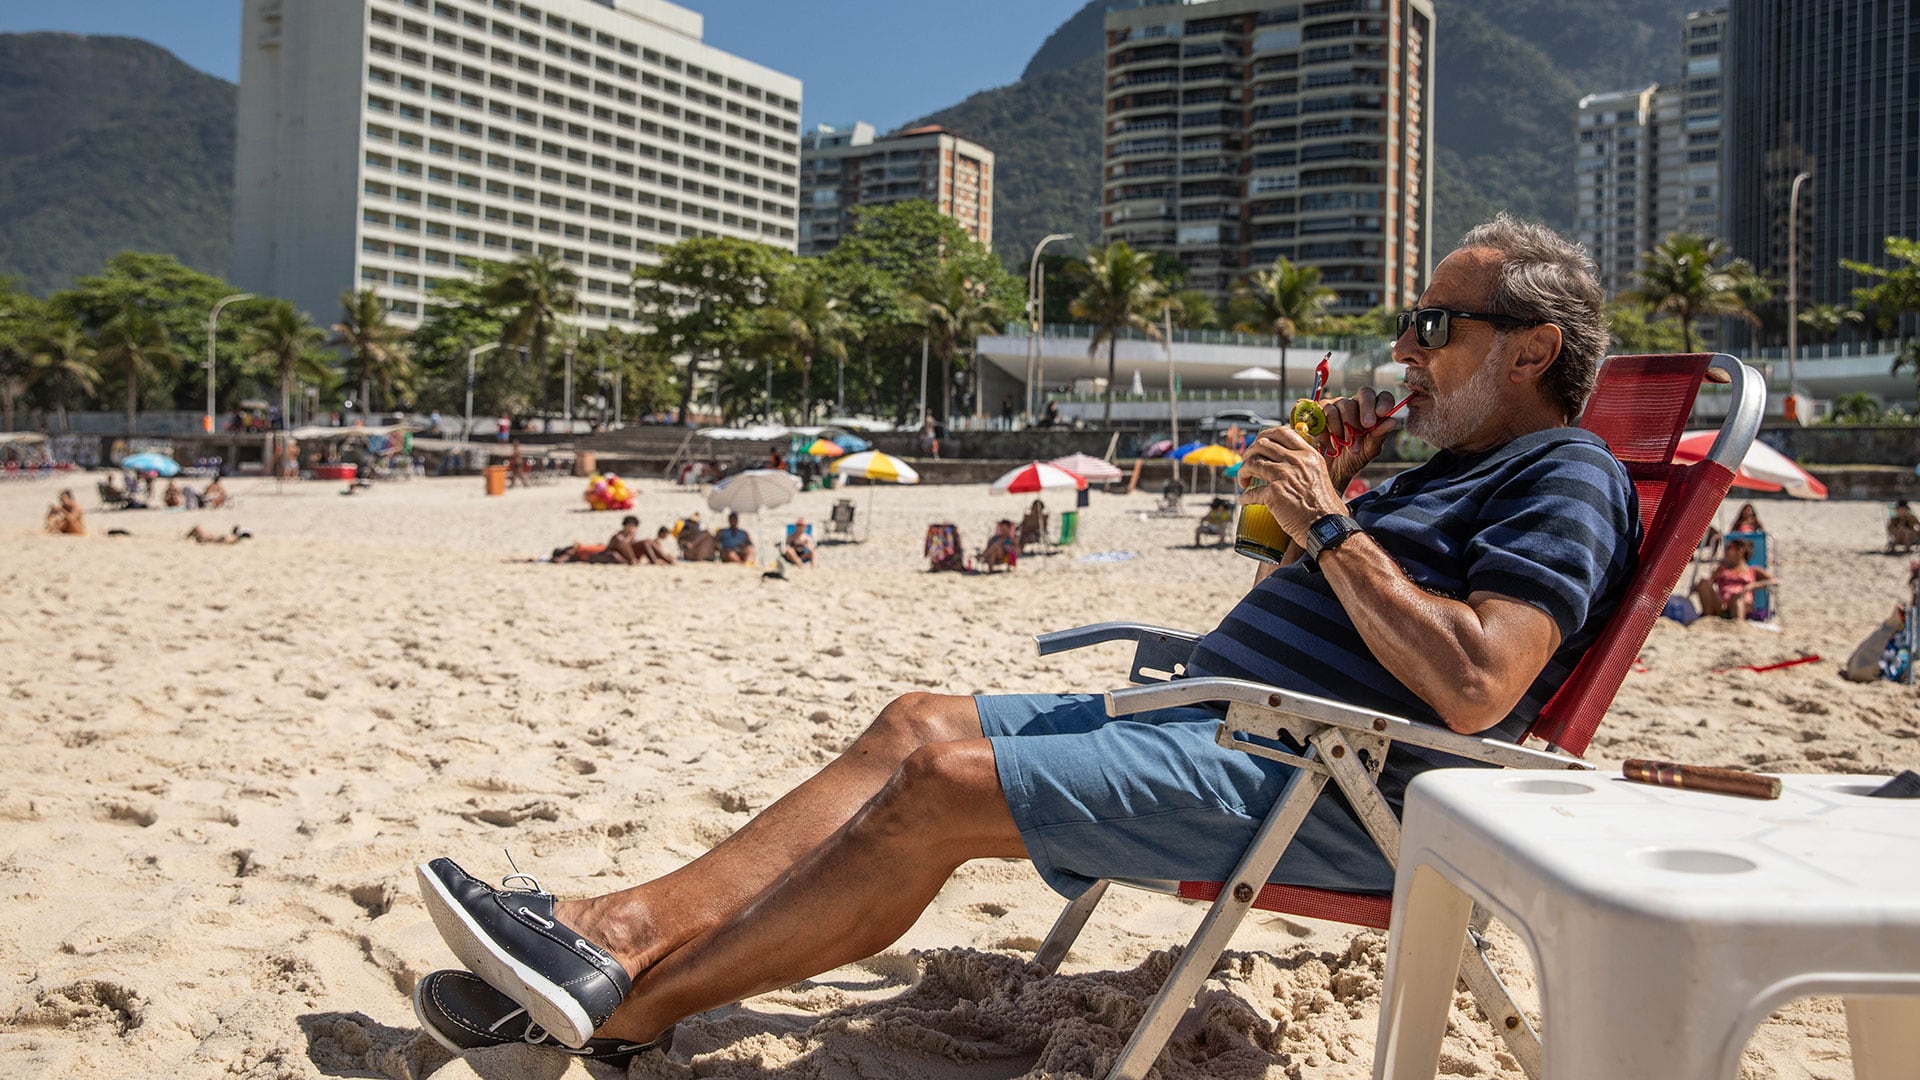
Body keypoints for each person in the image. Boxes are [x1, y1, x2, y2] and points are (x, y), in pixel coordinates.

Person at [408, 214, 1640, 1066]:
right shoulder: (1451, 470)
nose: (1406, 348)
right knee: (915, 720)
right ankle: (607, 937)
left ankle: (623, 1010)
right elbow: (1349, 606)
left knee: (941, 785)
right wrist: (1333, 514)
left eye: (1438, 323)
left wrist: (1326, 522)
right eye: (1411, 321)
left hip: (1326, 785)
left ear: (1532, 349)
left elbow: (1476, 687)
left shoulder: (1565, 476)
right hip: (1234, 726)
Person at [1692, 537, 1776, 622]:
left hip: (1742, 603)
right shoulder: (1722, 569)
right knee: (1704, 583)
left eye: (1729, 548)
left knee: (1736, 596)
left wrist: (1753, 585)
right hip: (1722, 605)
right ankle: (1707, 620)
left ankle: (1737, 623)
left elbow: (1774, 582)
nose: (1725, 552)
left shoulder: (1753, 570)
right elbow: (1709, 583)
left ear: (1740, 550)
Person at [185, 525, 250, 544]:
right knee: (197, 528)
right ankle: (186, 537)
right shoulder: (233, 538)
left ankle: (185, 537)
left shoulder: (232, 538)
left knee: (197, 528)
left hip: (209, 538)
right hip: (211, 538)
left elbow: (224, 539)